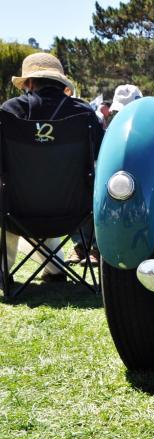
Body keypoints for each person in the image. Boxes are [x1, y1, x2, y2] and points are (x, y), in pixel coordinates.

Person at [1, 53, 104, 282]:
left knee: (13, 197)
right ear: (60, 83)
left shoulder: (9, 112)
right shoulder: (84, 113)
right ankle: (55, 269)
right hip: (74, 212)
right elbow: (101, 156)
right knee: (50, 191)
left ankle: (3, 270)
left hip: (16, 211)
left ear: (28, 82)